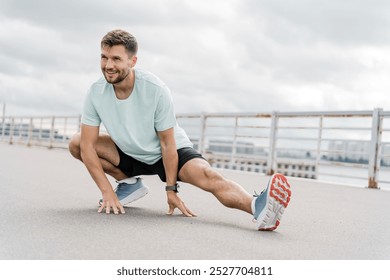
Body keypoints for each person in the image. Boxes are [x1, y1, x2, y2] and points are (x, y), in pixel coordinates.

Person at [68, 29, 292, 231]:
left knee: (208, 176)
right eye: (104, 57)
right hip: (129, 152)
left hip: (168, 152)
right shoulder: (96, 92)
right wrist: (106, 191)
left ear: (133, 61)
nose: (108, 65)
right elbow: (88, 145)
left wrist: (171, 189)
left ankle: (258, 207)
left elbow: (167, 144)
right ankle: (128, 185)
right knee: (77, 143)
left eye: (116, 58)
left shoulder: (155, 89)